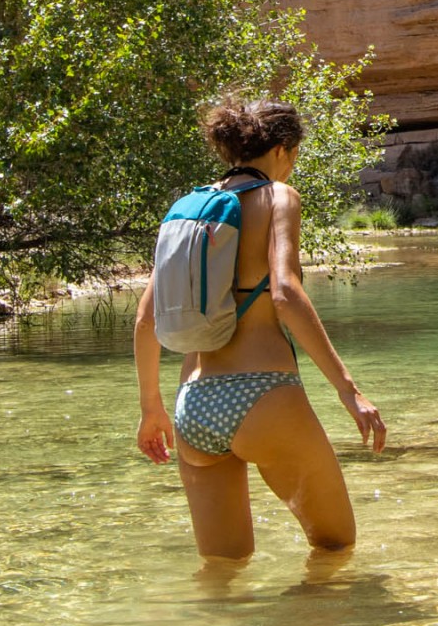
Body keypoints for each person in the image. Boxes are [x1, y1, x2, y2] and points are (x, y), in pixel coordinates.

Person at [133, 98, 387, 561]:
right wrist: (348, 390)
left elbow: (146, 319)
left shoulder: (186, 209)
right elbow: (286, 293)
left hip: (193, 404)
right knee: (336, 547)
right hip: (263, 394)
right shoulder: (277, 198)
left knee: (222, 567)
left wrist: (151, 410)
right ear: (284, 151)